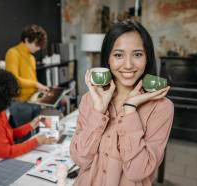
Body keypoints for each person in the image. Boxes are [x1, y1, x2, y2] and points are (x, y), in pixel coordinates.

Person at [70, 20, 174, 186]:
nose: (128, 65)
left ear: (147, 58)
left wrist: (131, 110)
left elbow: (138, 171)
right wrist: (98, 110)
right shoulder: (90, 99)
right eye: (118, 55)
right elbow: (80, 159)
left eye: (137, 54)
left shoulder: (161, 107)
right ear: (108, 60)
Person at [0, 70, 55, 170]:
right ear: (0, 96)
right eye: (10, 96)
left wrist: (30, 126)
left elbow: (8, 135)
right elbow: (6, 152)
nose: (12, 100)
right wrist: (36, 141)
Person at [5, 24, 50, 128]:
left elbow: (31, 79)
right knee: (25, 138)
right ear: (26, 39)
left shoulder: (31, 58)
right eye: (37, 44)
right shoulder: (13, 53)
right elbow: (13, 79)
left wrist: (39, 91)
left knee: (38, 134)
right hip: (20, 103)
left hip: (34, 101)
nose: (39, 48)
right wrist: (36, 84)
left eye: (40, 45)